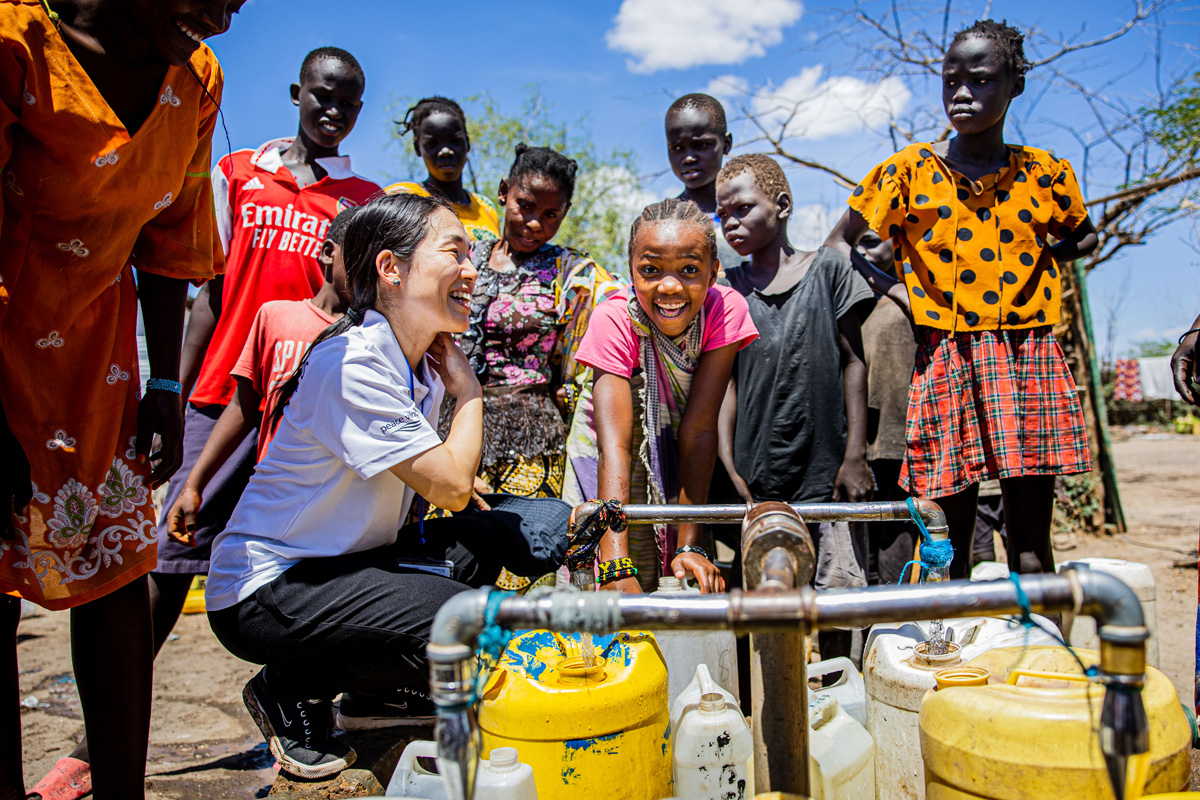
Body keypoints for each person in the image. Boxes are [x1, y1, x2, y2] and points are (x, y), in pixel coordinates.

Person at [205, 193, 568, 777]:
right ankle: (290, 686)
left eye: (472, 253)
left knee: (484, 540)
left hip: (344, 565)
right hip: (267, 590)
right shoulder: (353, 362)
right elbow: (449, 486)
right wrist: (470, 393)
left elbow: (451, 496)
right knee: (466, 619)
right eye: (454, 251)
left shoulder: (416, 364)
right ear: (390, 268)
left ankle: (376, 692)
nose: (472, 270)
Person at [0, 2, 241, 799]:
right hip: (3, 336)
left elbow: (172, 239)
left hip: (96, 360)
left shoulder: (194, 79)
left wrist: (166, 385)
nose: (222, 23)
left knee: (112, 572)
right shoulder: (15, 40)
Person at [825, 19, 1099, 580]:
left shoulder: (1046, 174)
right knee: (948, 544)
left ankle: (1040, 655)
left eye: (980, 80)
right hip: (947, 356)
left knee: (1030, 545)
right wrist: (897, 290)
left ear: (1015, 84)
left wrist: (1046, 254)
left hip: (1028, 356)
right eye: (951, 81)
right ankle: (958, 656)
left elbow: (1084, 234)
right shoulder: (907, 173)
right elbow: (838, 246)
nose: (962, 94)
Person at [157, 46, 379, 639]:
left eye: (346, 103)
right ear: (295, 94)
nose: (332, 110)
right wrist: (171, 393)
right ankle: (116, 725)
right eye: (320, 96)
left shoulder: (363, 199)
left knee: (303, 563)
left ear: (360, 110)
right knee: (173, 552)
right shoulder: (237, 173)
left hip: (306, 401)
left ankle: (301, 713)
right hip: (222, 393)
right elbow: (208, 293)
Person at [714, 154, 874, 662]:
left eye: (743, 208)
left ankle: (842, 700)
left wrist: (855, 456)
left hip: (826, 471)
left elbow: (855, 362)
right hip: (756, 475)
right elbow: (725, 385)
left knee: (837, 596)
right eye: (723, 215)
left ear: (782, 206)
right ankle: (762, 707)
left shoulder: (829, 270)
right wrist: (728, 464)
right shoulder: (726, 290)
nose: (731, 222)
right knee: (762, 600)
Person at [565, 199, 758, 593]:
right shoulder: (614, 318)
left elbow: (700, 429)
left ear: (713, 271)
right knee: (606, 590)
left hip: (675, 449)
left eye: (689, 270)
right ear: (632, 270)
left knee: (673, 579)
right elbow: (614, 446)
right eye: (651, 270)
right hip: (609, 458)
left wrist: (692, 545)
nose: (669, 287)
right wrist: (615, 564)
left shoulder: (725, 310)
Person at [163, 208, 356, 544]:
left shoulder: (374, 335)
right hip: (270, 498)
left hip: (336, 509)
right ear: (328, 252)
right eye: (360, 252)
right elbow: (242, 406)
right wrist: (194, 483)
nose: (370, 267)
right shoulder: (276, 318)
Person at [460, 144, 621, 501]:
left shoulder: (573, 273)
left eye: (551, 215)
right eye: (526, 206)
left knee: (521, 547)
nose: (534, 224)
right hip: (451, 431)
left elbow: (622, 306)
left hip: (530, 441)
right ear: (504, 192)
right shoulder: (463, 256)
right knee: (441, 551)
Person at [856, 229, 919, 584]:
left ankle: (894, 633)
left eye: (870, 240)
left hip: (900, 441)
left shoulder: (914, 300)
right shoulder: (861, 304)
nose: (861, 250)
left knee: (896, 545)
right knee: (864, 556)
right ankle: (869, 634)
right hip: (863, 444)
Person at [386, 96, 499, 241]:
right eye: (433, 143)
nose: (445, 151)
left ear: (468, 143)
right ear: (417, 148)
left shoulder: (485, 207)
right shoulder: (402, 197)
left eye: (455, 141)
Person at [665, 93, 740, 271]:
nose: (689, 158)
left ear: (726, 143)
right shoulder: (663, 219)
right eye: (677, 148)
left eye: (701, 145)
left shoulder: (747, 213)